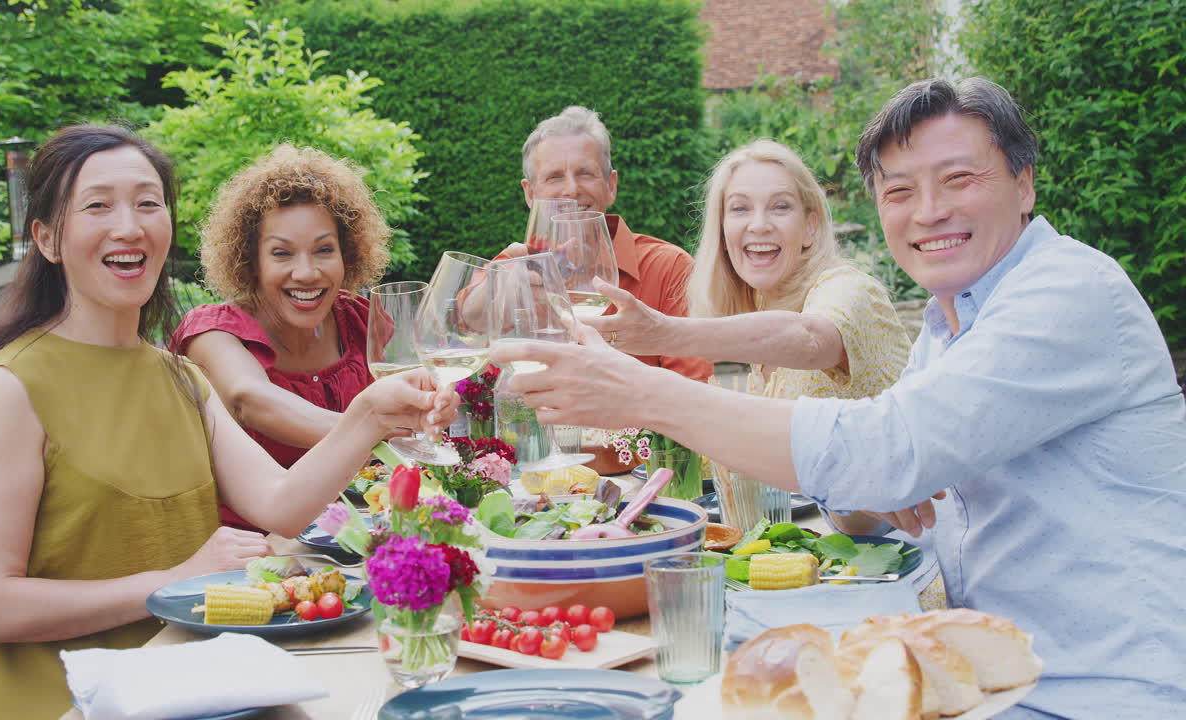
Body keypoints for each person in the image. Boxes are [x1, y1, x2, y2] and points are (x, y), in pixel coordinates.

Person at [492, 78, 1186, 717]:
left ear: (1025, 184)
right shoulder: (952, 323)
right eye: (900, 191)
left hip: (1105, 692)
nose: (931, 210)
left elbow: (878, 435)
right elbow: (890, 487)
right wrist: (870, 479)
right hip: (985, 682)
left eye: (958, 179)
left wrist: (645, 392)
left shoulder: (1067, 292)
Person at [0, 125, 453, 719]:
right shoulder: (10, 385)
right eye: (99, 205)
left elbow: (283, 505)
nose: (129, 226)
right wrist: (180, 578)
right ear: (49, 239)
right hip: (60, 703)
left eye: (148, 203)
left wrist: (369, 414)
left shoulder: (178, 377)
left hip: (186, 686)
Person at [584, 138, 911, 404]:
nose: (759, 225)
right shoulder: (742, 312)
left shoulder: (848, 289)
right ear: (723, 232)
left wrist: (663, 333)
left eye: (780, 206)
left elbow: (811, 340)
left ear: (810, 227)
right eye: (740, 208)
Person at [169, 144, 390, 532]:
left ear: (347, 255)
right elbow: (250, 400)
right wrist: (376, 428)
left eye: (324, 250)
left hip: (360, 543)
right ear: (251, 261)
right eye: (282, 254)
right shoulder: (213, 332)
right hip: (252, 558)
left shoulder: (362, 321)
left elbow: (428, 375)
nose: (305, 273)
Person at [501, 105, 711, 381]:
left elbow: (694, 393)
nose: (571, 189)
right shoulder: (512, 268)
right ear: (530, 194)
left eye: (585, 173)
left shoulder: (669, 269)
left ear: (611, 185)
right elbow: (458, 332)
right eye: (554, 177)